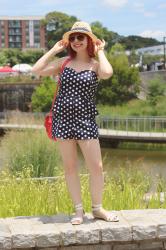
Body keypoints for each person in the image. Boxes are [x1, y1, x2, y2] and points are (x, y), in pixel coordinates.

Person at [32, 21, 119, 225]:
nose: (76, 41)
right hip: (63, 120)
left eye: (81, 37)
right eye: (72, 37)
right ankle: (78, 211)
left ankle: (97, 208)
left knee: (96, 166)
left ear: (89, 40)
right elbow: (36, 69)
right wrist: (54, 49)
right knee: (70, 167)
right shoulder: (63, 63)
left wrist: (100, 52)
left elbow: (107, 73)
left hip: (85, 120)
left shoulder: (95, 65)